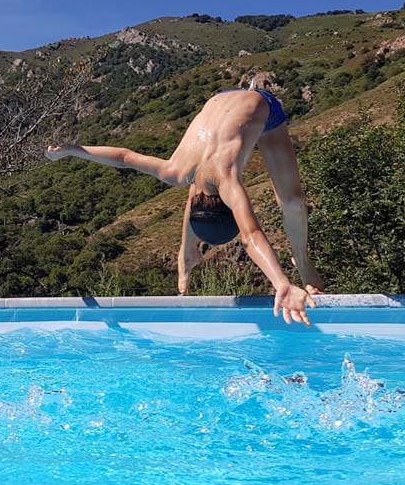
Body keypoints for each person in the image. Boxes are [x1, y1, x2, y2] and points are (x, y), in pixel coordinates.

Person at [45, 87, 322, 326]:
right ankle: (187, 250)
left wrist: (281, 283)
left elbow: (250, 237)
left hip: (263, 107)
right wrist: (73, 150)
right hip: (228, 104)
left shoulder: (225, 182)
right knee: (291, 203)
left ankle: (301, 256)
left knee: (292, 203)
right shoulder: (176, 172)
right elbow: (124, 157)